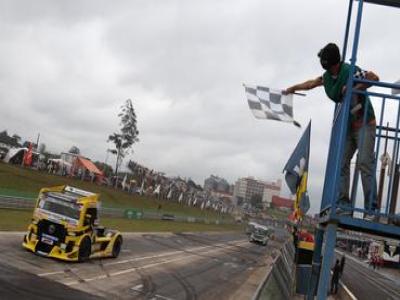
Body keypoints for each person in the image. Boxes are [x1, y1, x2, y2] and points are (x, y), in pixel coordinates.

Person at [285, 43, 379, 219]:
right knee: (342, 163)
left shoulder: (350, 71)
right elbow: (312, 83)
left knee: (365, 163)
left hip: (364, 123)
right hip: (348, 127)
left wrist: (352, 89)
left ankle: (371, 209)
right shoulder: (328, 77)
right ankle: (344, 205)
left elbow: (374, 77)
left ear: (334, 63)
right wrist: (293, 88)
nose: (325, 67)